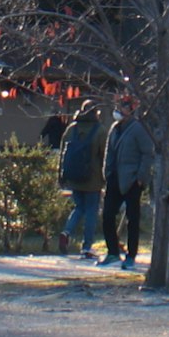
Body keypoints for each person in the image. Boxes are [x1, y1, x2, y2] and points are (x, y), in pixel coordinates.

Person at [101, 97, 157, 264]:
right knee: (108, 215)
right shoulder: (114, 128)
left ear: (131, 109)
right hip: (114, 178)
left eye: (123, 106)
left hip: (132, 180)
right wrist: (107, 172)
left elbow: (147, 154)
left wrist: (140, 178)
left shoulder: (139, 128)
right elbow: (108, 152)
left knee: (133, 218)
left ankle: (131, 255)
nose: (118, 109)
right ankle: (112, 252)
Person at [55, 103, 107, 257]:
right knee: (91, 211)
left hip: (74, 177)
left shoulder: (71, 129)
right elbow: (105, 156)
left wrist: (61, 175)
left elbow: (63, 154)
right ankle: (86, 247)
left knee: (79, 207)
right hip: (93, 179)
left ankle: (66, 231)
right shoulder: (100, 131)